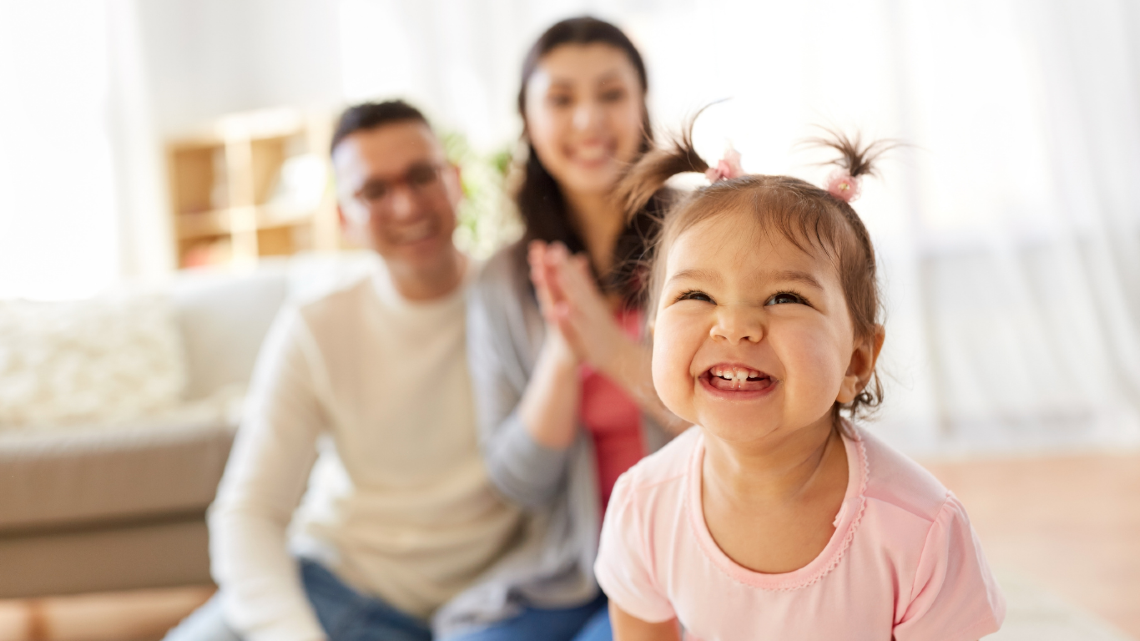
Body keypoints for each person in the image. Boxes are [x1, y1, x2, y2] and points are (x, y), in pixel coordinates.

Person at [593, 123, 1008, 640]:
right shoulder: (644, 504)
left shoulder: (919, 531)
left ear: (856, 362)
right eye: (696, 295)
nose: (734, 326)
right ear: (655, 339)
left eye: (785, 298)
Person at [164, 100, 523, 641]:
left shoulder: (519, 305)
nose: (405, 205)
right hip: (333, 587)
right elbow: (248, 512)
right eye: (373, 191)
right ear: (343, 217)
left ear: (455, 182)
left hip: (479, 611)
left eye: (421, 176)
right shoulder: (316, 325)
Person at [456, 16, 685, 641]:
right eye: (561, 100)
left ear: (643, 107)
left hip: (685, 562)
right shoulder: (503, 281)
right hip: (567, 572)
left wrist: (609, 350)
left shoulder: (704, 236)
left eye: (611, 94)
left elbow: (748, 430)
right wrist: (563, 352)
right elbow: (518, 482)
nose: (589, 121)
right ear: (528, 121)